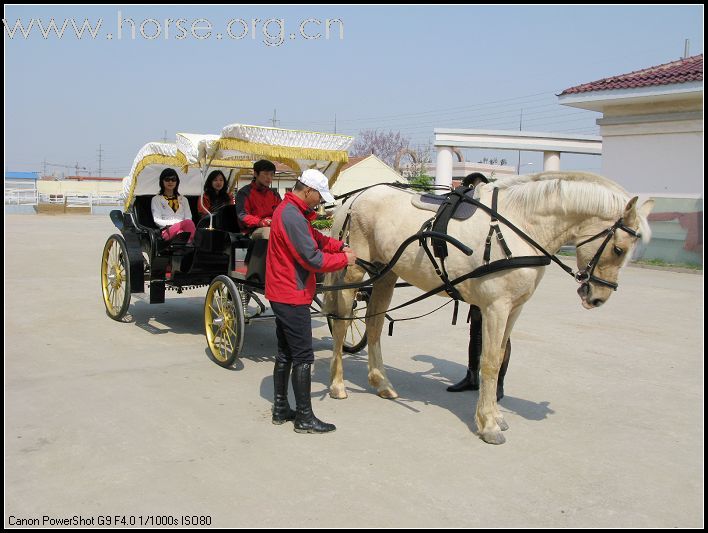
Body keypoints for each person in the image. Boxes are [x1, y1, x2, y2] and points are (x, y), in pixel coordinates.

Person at [266, 169, 356, 434]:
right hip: (291, 294)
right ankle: (304, 417)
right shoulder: (292, 216)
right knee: (303, 356)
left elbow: (316, 239)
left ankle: (281, 409)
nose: (319, 202)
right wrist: (345, 260)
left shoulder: (292, 211)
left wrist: (339, 246)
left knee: (285, 353)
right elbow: (312, 259)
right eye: (318, 197)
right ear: (308, 191)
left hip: (282, 292)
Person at [447, 172, 511, 400]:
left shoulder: (497, 214)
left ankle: (498, 383)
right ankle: (472, 375)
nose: (473, 191)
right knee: (476, 330)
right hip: (478, 282)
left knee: (500, 335)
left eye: (474, 187)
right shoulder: (473, 216)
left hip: (496, 285)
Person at [235, 159, 282, 238]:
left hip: (273, 227)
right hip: (252, 230)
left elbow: (281, 212)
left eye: (271, 174)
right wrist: (260, 222)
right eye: (266, 174)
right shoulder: (244, 193)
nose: (269, 177)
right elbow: (242, 216)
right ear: (256, 174)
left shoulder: (274, 194)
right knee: (268, 233)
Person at [150, 168, 196, 243]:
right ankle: (190, 242)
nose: (170, 182)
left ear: (177, 182)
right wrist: (176, 223)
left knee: (185, 227)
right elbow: (157, 220)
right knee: (187, 224)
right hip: (166, 230)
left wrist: (180, 225)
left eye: (173, 179)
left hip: (184, 229)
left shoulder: (184, 199)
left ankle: (186, 243)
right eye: (167, 179)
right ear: (162, 181)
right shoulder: (156, 199)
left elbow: (189, 217)